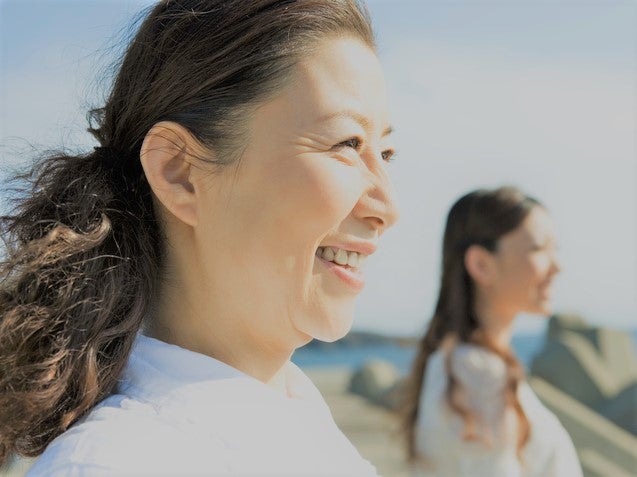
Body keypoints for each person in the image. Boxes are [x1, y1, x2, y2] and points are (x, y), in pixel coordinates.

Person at [0, 1, 399, 475]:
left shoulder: (298, 421)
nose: (387, 208)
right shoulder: (114, 464)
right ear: (180, 172)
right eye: (347, 145)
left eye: (387, 152)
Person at [401, 187, 582, 477]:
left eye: (555, 249)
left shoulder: (460, 363)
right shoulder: (477, 375)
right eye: (538, 249)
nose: (557, 266)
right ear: (481, 264)